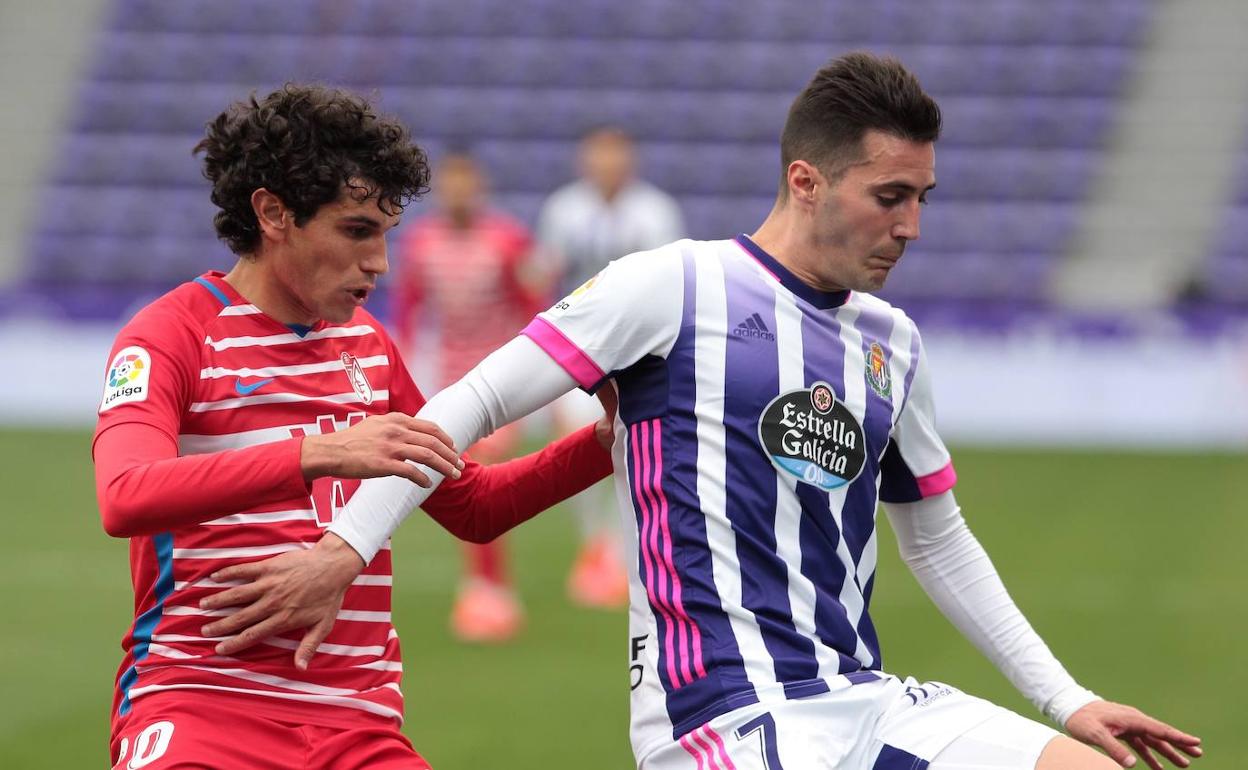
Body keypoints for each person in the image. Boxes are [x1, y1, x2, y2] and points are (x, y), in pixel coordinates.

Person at [213, 56, 1203, 770]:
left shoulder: (892, 341)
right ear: (806, 180)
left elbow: (938, 542)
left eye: (923, 198)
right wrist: (344, 549)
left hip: (865, 700)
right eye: (889, 195)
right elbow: (468, 404)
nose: (909, 223)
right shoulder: (669, 287)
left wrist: (1068, 701)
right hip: (722, 720)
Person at [92, 84, 613, 770]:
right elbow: (126, 495)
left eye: (387, 234)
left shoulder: (367, 345)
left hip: (356, 726)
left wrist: (610, 440)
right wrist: (317, 452)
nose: (381, 263)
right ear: (274, 213)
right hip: (200, 706)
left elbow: (474, 506)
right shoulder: (170, 335)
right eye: (357, 231)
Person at [391, 150, 546, 642]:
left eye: (466, 182)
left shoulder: (507, 239)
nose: (458, 191)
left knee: (472, 470)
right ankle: (487, 587)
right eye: (450, 183)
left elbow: (533, 306)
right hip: (448, 378)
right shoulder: (422, 242)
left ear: (478, 186)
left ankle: (489, 590)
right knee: (458, 473)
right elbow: (410, 309)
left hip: (500, 378)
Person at [536, 126, 686, 608]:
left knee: (633, 449)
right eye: (598, 155)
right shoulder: (564, 210)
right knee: (578, 447)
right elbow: (545, 276)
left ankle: (622, 548)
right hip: (579, 346)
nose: (606, 164)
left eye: (614, 155)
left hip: (637, 351)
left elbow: (671, 282)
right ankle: (594, 545)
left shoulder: (655, 212)